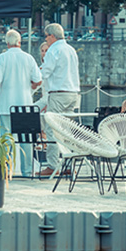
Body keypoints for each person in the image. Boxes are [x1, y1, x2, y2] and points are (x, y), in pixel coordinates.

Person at [0, 29, 42, 177]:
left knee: (6, 139)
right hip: (25, 105)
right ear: (20, 41)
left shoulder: (2, 58)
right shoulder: (29, 58)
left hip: (6, 105)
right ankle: (26, 172)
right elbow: (38, 80)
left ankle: (6, 171)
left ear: (7, 43)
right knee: (26, 140)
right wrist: (30, 87)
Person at [39, 23, 80, 177]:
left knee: (51, 129)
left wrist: (34, 79)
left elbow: (46, 72)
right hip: (73, 94)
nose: (45, 39)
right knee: (66, 131)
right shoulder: (71, 50)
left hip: (59, 93)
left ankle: (52, 165)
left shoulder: (54, 50)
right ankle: (69, 164)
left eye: (46, 36)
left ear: (52, 36)